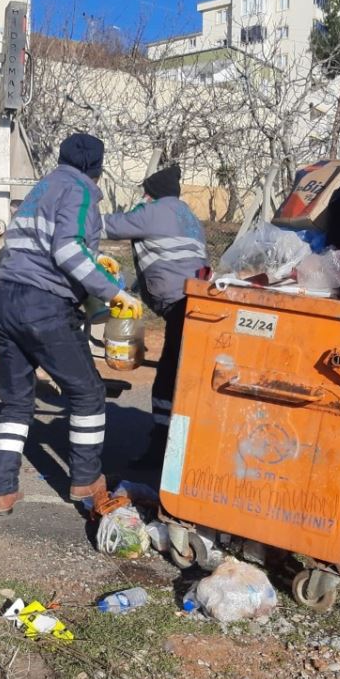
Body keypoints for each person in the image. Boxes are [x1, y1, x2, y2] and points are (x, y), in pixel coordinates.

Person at [0, 132, 141, 515]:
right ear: (97, 168)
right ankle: (85, 479)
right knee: (87, 391)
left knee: (16, 402)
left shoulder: (41, 189)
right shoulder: (81, 189)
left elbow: (23, 249)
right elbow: (68, 248)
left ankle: (2, 489)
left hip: (4, 299)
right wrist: (113, 293)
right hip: (41, 304)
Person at [102, 164, 208, 468]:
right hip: (196, 301)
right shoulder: (186, 215)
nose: (143, 197)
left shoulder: (154, 211)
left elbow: (110, 226)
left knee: (167, 377)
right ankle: (177, 443)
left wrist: (70, 220)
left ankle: (161, 450)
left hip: (180, 303)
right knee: (181, 371)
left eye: (146, 192)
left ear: (154, 193)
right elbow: (171, 255)